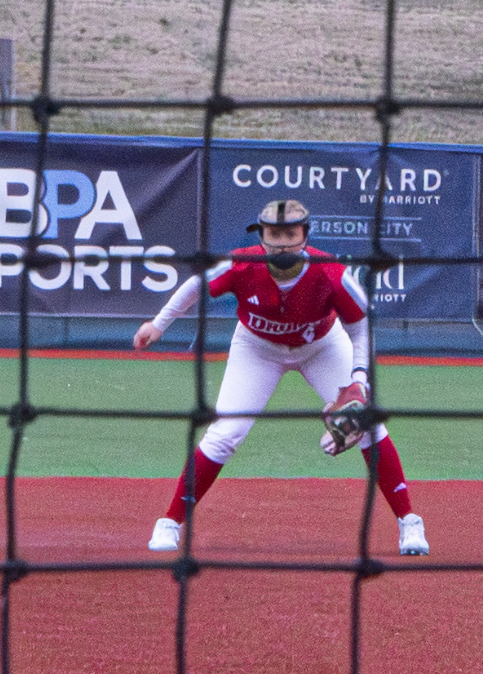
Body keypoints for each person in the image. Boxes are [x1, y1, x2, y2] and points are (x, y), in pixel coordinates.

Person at [135, 198, 428, 555]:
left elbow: (361, 329)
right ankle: (170, 522)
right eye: (274, 233)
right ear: (261, 235)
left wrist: (358, 383)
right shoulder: (242, 263)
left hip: (322, 346)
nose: (282, 242)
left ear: (305, 235)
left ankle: (409, 521)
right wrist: (158, 324)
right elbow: (196, 285)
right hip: (256, 350)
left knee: (367, 425)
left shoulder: (330, 272)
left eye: (291, 233)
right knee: (224, 434)